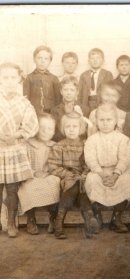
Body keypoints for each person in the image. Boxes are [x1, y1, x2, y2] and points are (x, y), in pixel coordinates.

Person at [0, 62, 39, 238]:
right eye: (4, 77)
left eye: (12, 78)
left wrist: (16, 136)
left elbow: (32, 125)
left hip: (14, 148)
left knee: (12, 189)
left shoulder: (23, 103)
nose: (8, 81)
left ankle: (11, 223)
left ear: (19, 80)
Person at [48, 111, 98, 239]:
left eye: (74, 126)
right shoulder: (59, 146)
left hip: (82, 178)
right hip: (67, 178)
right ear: (63, 128)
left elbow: (89, 163)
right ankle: (86, 218)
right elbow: (53, 167)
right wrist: (67, 174)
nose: (71, 130)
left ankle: (85, 221)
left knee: (81, 186)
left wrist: (84, 174)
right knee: (74, 185)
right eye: (67, 127)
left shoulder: (85, 145)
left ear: (81, 128)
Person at [85, 104, 130, 233]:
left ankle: (116, 218)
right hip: (99, 171)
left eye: (109, 120)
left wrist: (116, 174)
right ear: (97, 121)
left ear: (116, 121)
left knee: (126, 179)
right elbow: (90, 159)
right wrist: (101, 173)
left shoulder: (123, 139)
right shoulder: (92, 140)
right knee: (91, 179)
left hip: (117, 171)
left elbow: (124, 159)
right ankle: (98, 216)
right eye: (102, 120)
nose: (105, 123)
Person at [18, 113, 60, 235]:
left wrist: (48, 172)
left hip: (48, 175)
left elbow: (57, 164)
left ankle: (53, 216)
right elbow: (22, 163)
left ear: (53, 131)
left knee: (55, 182)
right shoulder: (27, 144)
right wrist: (33, 172)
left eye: (50, 129)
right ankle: (31, 218)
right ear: (36, 128)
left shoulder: (54, 146)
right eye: (42, 128)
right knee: (27, 186)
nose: (46, 132)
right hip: (31, 175)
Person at [23, 45, 61, 113]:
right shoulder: (29, 78)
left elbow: (58, 100)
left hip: (51, 114)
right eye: (39, 58)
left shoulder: (54, 79)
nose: (42, 61)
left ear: (50, 61)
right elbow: (26, 99)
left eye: (46, 58)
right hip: (34, 113)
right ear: (34, 59)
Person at [51, 76, 88, 141]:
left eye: (72, 90)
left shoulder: (85, 109)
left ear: (77, 92)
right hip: (61, 142)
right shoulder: (55, 110)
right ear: (61, 91)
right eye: (65, 90)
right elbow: (55, 133)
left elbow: (85, 133)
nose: (68, 93)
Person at [78, 48, 113, 116]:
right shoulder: (83, 75)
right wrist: (80, 107)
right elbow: (79, 94)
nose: (95, 60)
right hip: (87, 104)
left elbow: (111, 94)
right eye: (92, 58)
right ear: (88, 61)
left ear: (102, 60)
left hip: (101, 104)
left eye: (98, 58)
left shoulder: (107, 74)